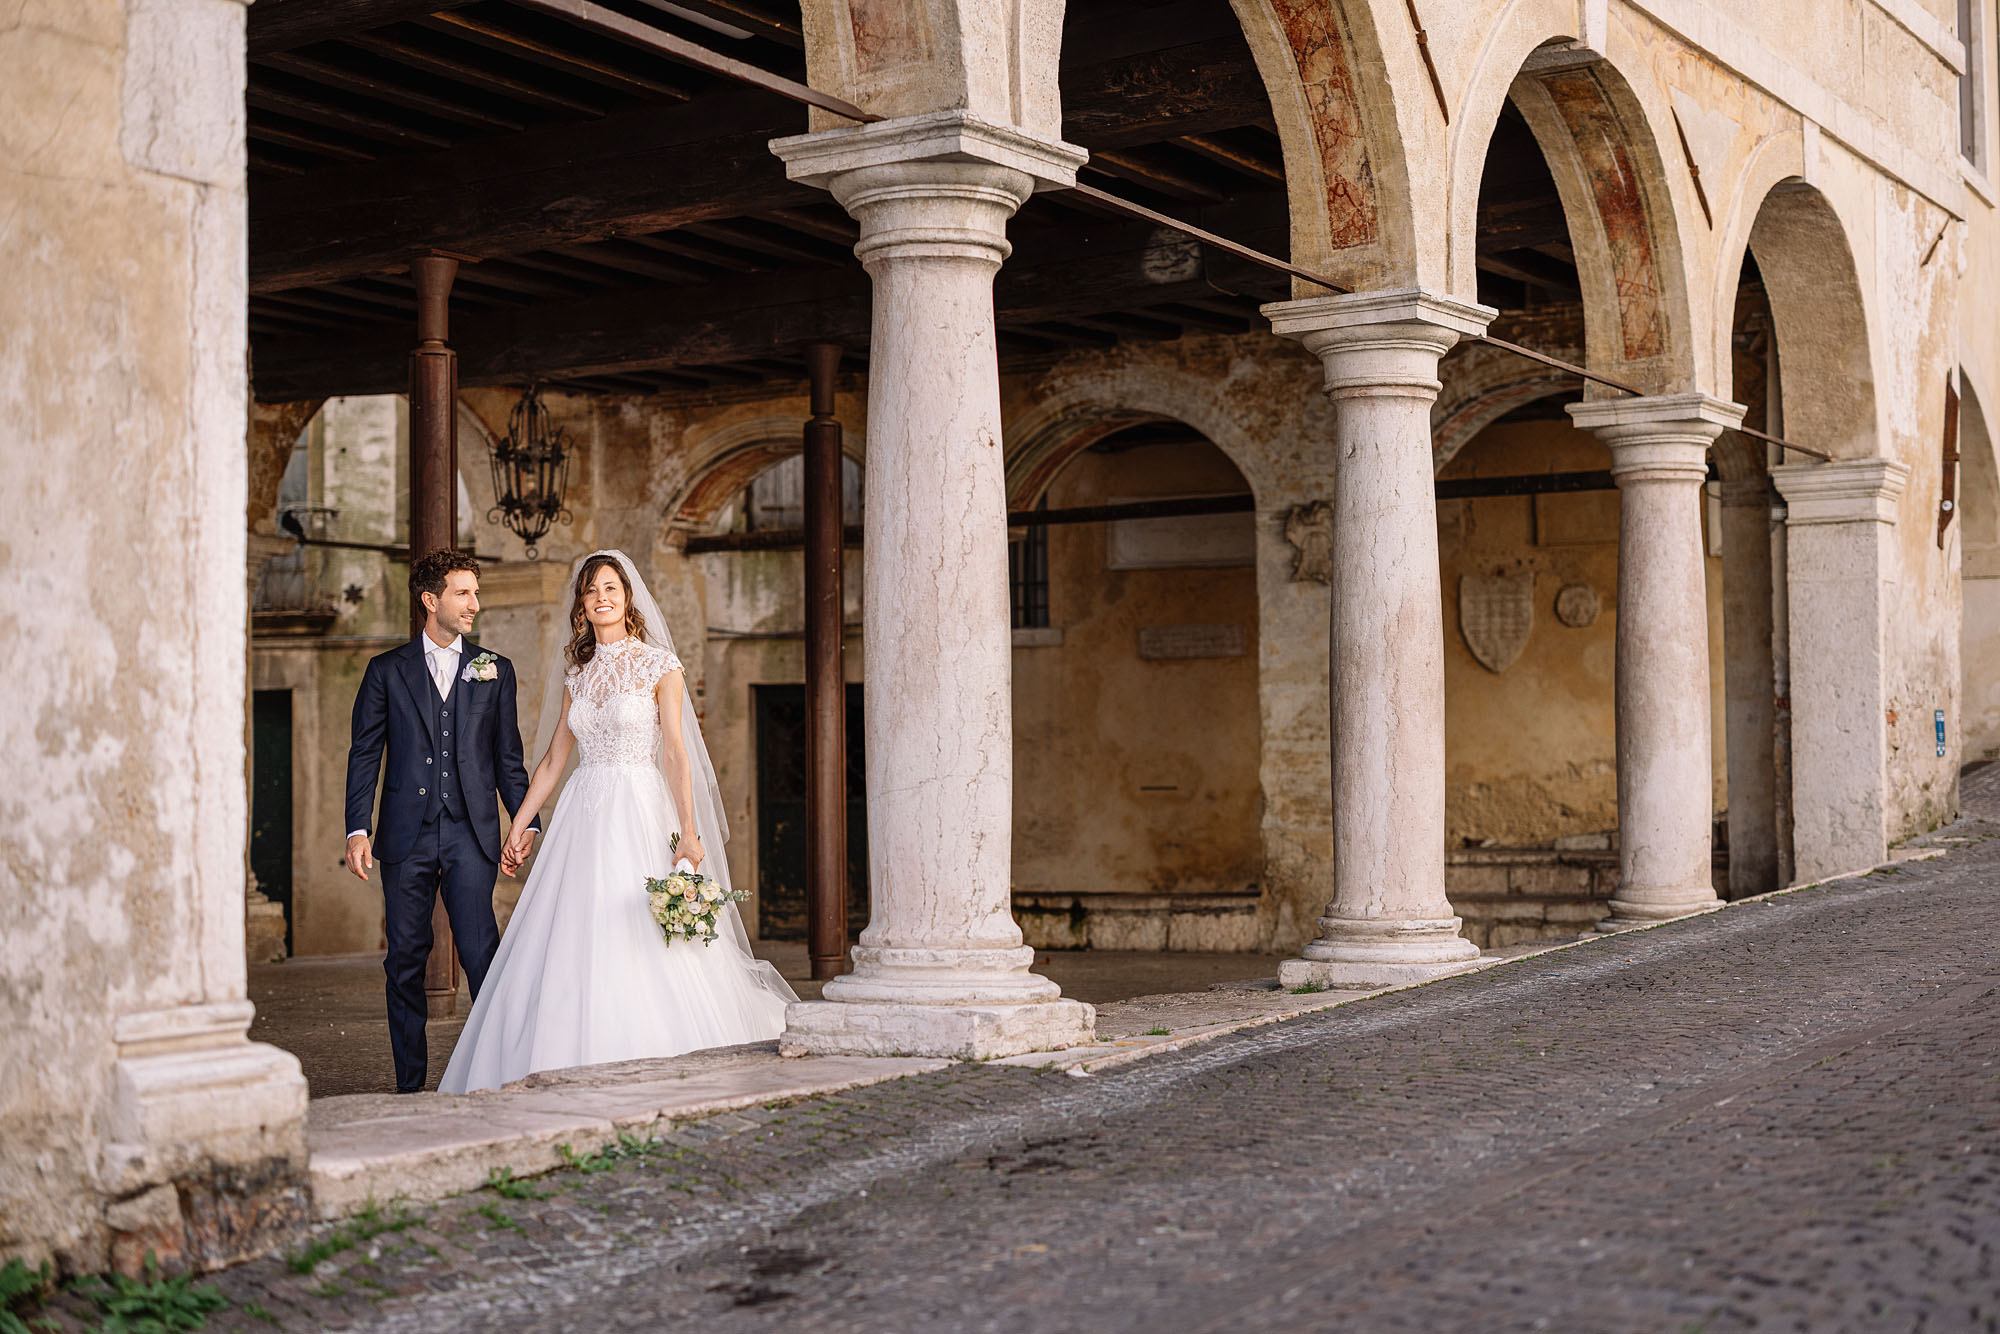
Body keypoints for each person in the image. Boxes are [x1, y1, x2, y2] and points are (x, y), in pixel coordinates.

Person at [437, 550, 796, 1094]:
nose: (601, 597)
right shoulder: (577, 673)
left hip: (639, 809)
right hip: (582, 814)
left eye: (610, 588)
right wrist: (521, 824)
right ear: (581, 605)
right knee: (574, 931)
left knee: (641, 929)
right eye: (591, 590)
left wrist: (689, 832)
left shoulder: (659, 665)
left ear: (628, 598)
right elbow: (554, 760)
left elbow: (674, 752)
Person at [343, 550, 538, 1094]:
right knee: (405, 958)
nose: (475, 604)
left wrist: (525, 822)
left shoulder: (495, 669)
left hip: (470, 833)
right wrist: (358, 828)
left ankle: (497, 1073)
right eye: (463, 593)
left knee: (481, 952)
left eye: (476, 592)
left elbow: (508, 758)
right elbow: (365, 753)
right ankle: (410, 1085)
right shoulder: (386, 670)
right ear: (431, 600)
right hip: (404, 836)